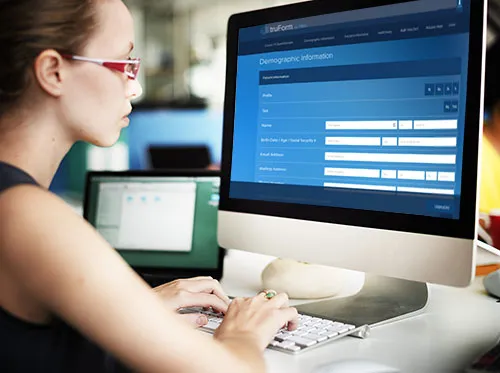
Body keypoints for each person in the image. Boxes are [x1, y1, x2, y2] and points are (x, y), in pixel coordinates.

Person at [0, 1, 298, 372]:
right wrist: (244, 332)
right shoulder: (29, 218)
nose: (136, 86)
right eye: (124, 65)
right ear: (53, 71)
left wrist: (134, 308)